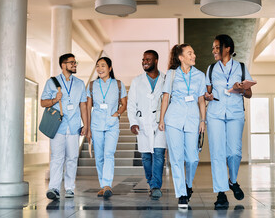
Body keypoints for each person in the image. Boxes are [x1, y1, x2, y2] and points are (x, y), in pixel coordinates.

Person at [204, 34, 253, 209]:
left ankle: (232, 180)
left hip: (235, 113)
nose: (214, 51)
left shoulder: (241, 68)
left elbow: (249, 94)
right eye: (213, 48)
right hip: (215, 113)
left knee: (234, 152)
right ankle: (221, 193)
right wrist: (207, 96)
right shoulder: (210, 69)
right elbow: (207, 93)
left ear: (228, 48)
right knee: (217, 153)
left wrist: (241, 89)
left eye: (217, 47)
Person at [158, 44, 206, 209]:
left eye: (193, 52)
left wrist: (203, 120)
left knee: (192, 158)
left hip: (192, 118)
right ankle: (182, 194)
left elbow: (201, 99)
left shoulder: (200, 75)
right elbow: (166, 97)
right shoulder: (171, 74)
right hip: (173, 119)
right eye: (190, 53)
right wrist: (161, 119)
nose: (194, 55)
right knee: (176, 158)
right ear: (181, 57)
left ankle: (188, 184)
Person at [41, 53, 87, 200]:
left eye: (75, 62)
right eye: (71, 62)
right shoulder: (51, 82)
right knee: (57, 157)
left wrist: (86, 125)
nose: (74, 65)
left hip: (74, 126)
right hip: (58, 126)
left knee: (72, 157)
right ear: (63, 65)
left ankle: (69, 188)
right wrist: (55, 99)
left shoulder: (80, 84)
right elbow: (43, 102)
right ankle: (54, 188)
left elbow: (83, 105)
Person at [127, 50, 167, 200]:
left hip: (160, 123)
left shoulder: (165, 78)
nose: (144, 62)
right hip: (143, 123)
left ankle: (156, 185)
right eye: (143, 59)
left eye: (148, 59)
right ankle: (151, 183)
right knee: (146, 157)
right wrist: (133, 123)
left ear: (156, 60)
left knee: (158, 154)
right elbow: (131, 104)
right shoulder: (137, 81)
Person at [86, 57, 127, 199]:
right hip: (96, 125)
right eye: (97, 66)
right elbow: (87, 107)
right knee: (99, 157)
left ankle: (107, 184)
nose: (100, 69)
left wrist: (117, 114)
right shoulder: (92, 85)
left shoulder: (118, 84)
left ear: (110, 68)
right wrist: (88, 128)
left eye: (103, 66)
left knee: (109, 153)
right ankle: (103, 186)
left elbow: (124, 104)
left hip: (112, 124)